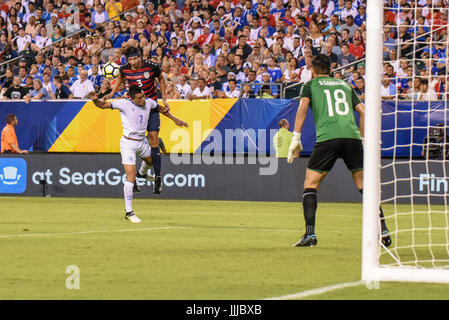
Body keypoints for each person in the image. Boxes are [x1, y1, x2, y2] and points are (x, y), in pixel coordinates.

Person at [287, 54, 391, 248]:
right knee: (363, 185)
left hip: (328, 137)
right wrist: (362, 138)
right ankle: (383, 230)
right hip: (352, 138)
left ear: (312, 71)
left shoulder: (309, 86)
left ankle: (310, 234)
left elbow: (302, 108)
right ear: (330, 69)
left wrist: (296, 137)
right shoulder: (345, 86)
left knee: (310, 184)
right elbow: (364, 111)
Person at [108, 46, 188, 194]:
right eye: (130, 59)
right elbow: (120, 77)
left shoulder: (152, 67)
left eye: (135, 58)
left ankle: (157, 178)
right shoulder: (124, 68)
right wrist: (111, 92)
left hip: (150, 106)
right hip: (134, 106)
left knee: (153, 138)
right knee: (133, 138)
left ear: (140, 56)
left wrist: (164, 99)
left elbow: (161, 80)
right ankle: (139, 174)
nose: (133, 62)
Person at [88, 86, 169, 223]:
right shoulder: (123, 104)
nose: (143, 100)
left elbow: (159, 108)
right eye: (139, 98)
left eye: (143, 96)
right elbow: (102, 105)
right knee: (130, 175)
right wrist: (95, 100)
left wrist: (169, 114)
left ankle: (142, 174)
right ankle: (129, 212)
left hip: (142, 142)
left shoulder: (149, 102)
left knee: (151, 161)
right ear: (132, 98)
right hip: (128, 144)